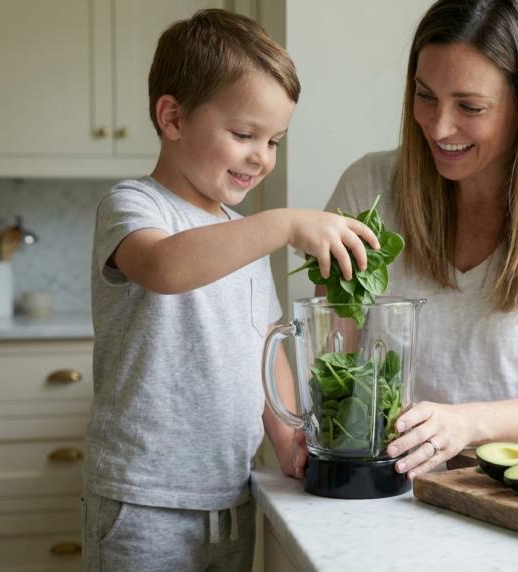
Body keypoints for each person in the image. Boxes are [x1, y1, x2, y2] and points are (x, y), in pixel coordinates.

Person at [84, 9, 378, 571]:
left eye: (274, 141)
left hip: (231, 495)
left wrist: (291, 435)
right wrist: (284, 224)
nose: (261, 157)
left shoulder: (240, 237)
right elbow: (164, 268)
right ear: (172, 117)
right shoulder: (133, 205)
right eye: (244, 134)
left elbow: (265, 346)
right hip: (144, 501)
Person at [324, 0, 518, 480]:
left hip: (504, 494)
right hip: (378, 487)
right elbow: (332, 357)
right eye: (425, 95)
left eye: (470, 107)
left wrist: (464, 424)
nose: (438, 126)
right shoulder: (367, 188)